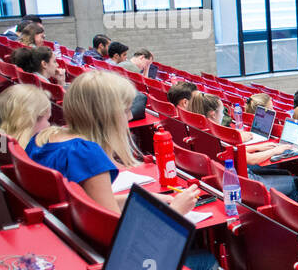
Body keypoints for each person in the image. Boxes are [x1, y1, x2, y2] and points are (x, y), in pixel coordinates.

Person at [27, 71, 200, 217]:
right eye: (125, 111)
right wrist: (176, 211)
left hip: (68, 238)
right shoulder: (86, 154)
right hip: (102, 254)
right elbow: (112, 233)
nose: (130, 117)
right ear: (106, 116)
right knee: (206, 258)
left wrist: (143, 201)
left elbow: (88, 202)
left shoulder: (44, 138)